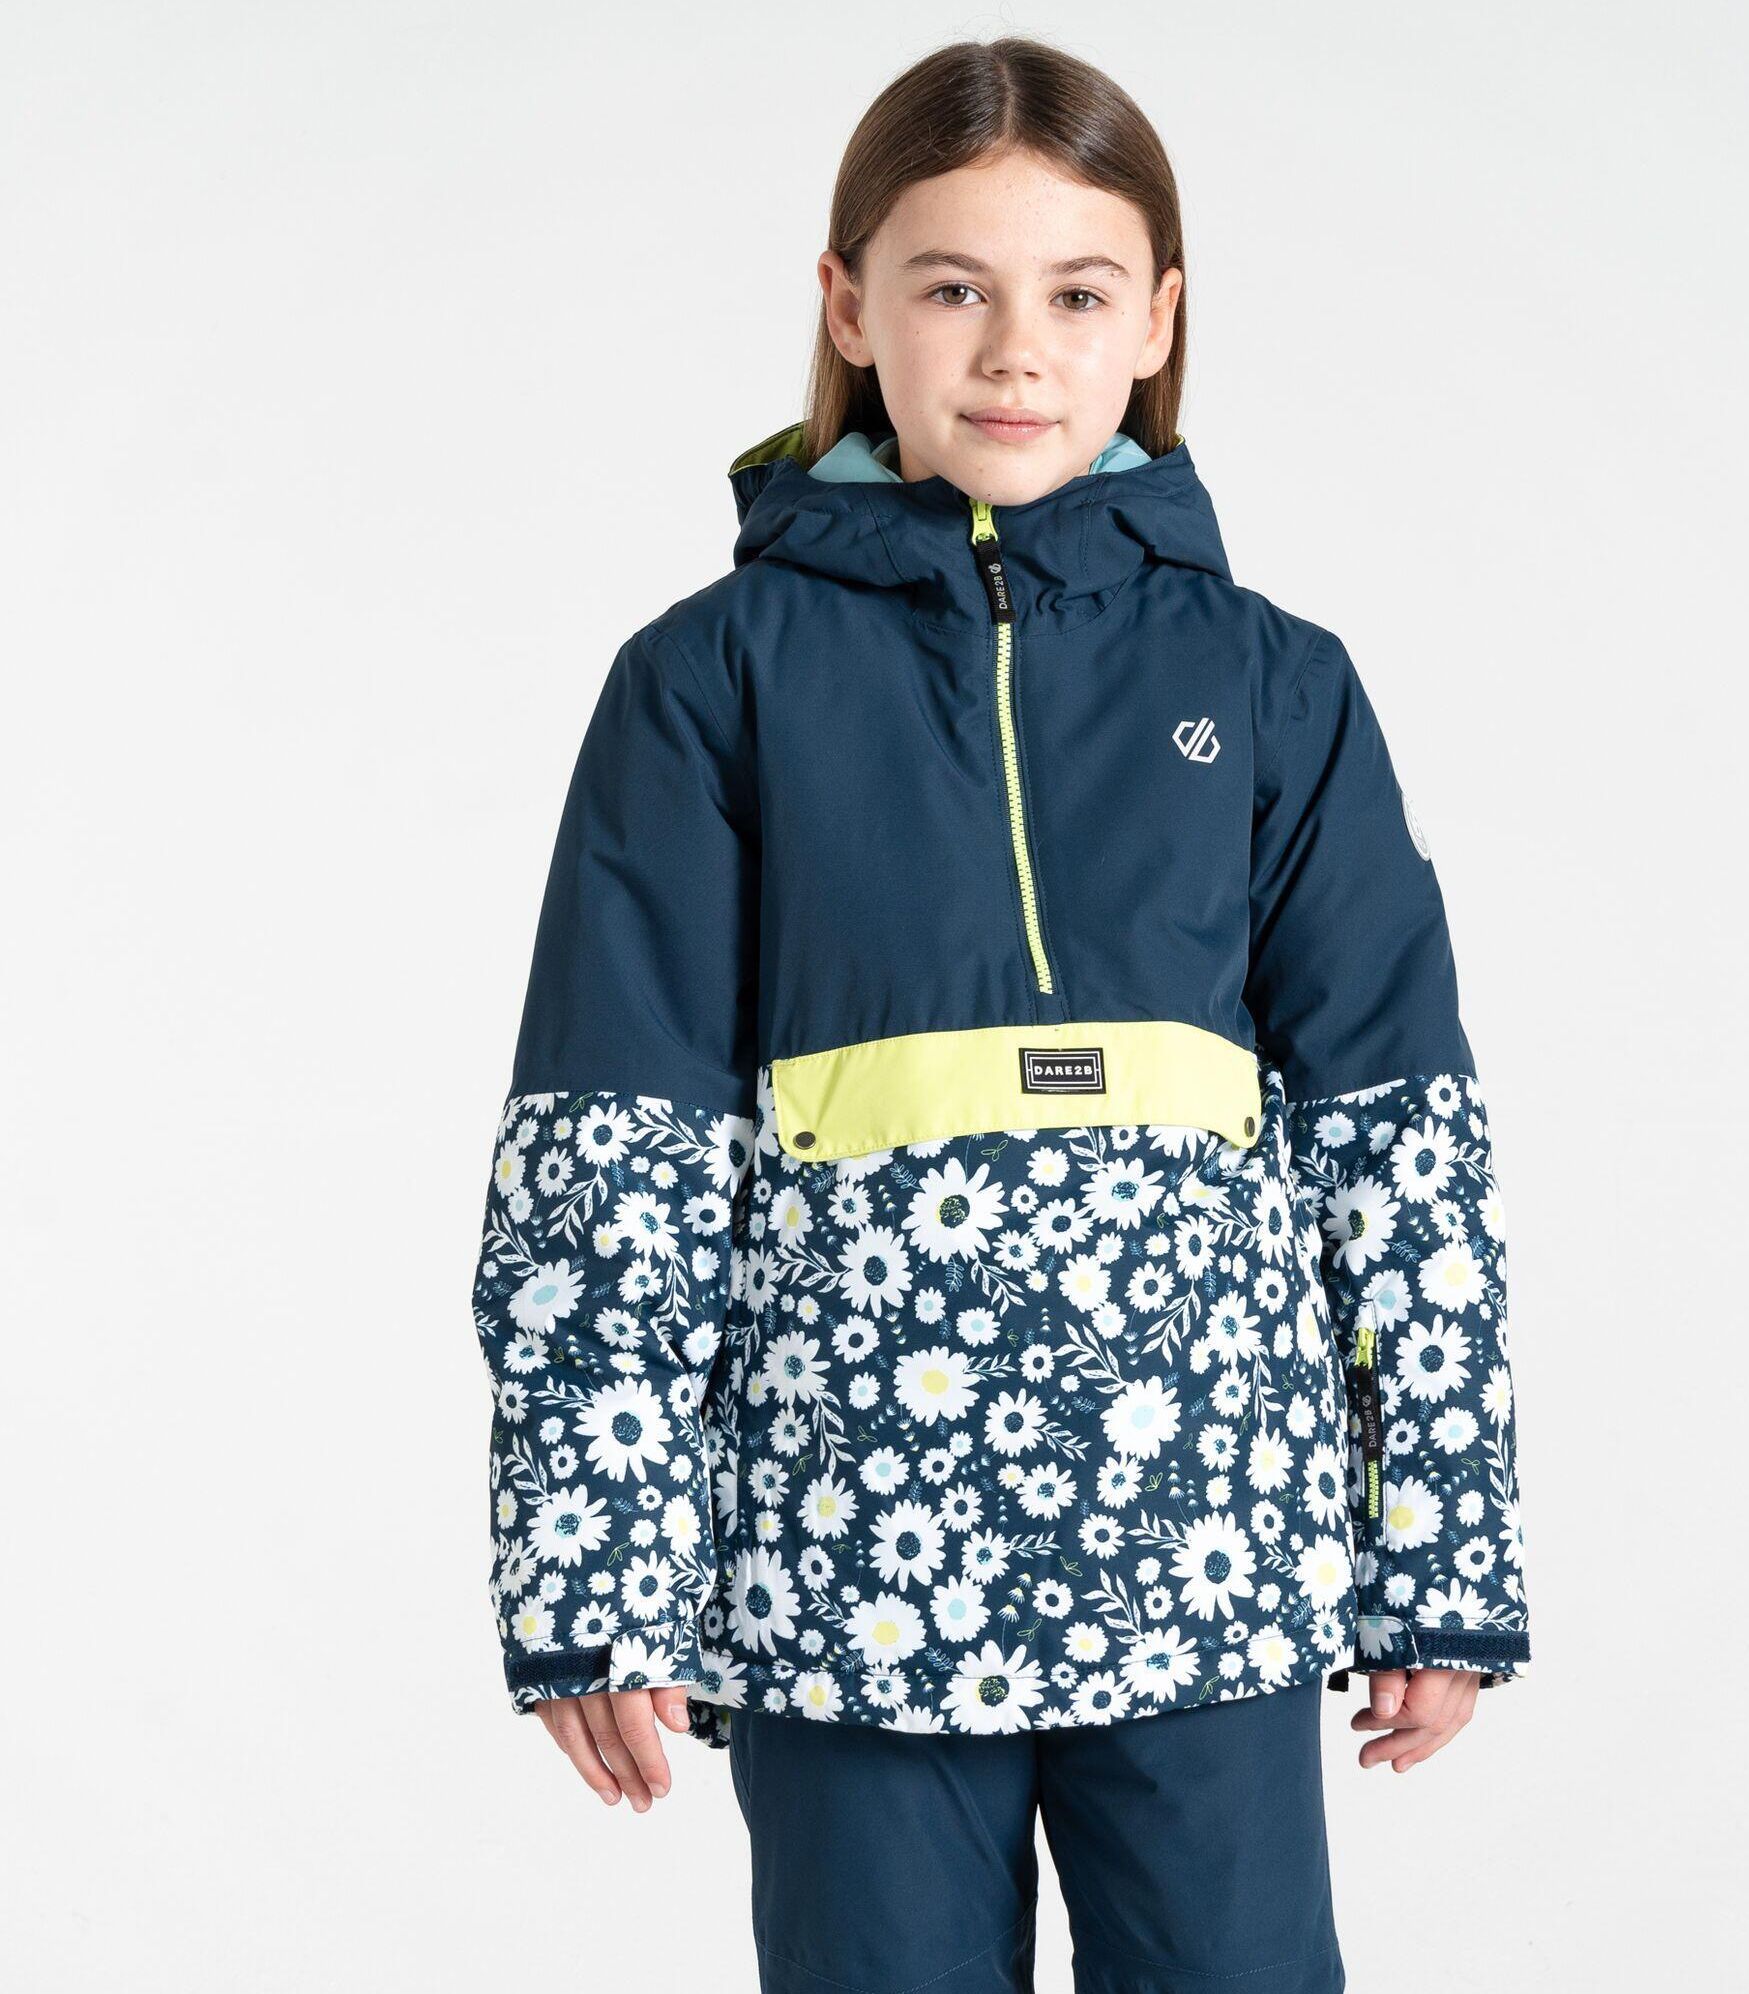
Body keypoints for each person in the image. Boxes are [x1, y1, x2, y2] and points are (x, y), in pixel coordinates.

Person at [469, 35, 1532, 1992]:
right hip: (848, 1566)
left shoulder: (1275, 687)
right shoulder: (708, 684)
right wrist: (595, 1571)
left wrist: (1437, 1549)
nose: (1016, 351)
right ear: (848, 305)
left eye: (1078, 295)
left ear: (1160, 320)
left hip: (1202, 1557)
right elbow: (608, 1154)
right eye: (954, 286)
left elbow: (1397, 1148)